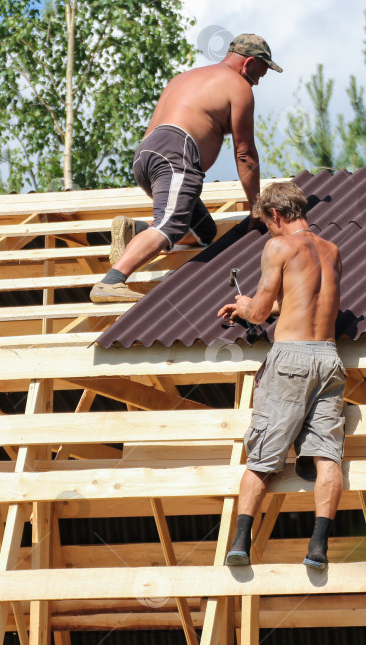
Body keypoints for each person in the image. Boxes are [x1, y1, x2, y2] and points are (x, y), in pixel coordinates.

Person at [90, 34, 282, 303]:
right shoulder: (238, 86)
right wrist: (255, 207)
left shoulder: (189, 76)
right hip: (175, 155)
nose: (259, 81)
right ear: (249, 62)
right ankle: (112, 281)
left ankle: (134, 231)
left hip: (146, 154)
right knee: (169, 225)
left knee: (204, 231)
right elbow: (245, 154)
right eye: (261, 72)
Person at [216, 182, 345, 570]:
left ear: (275, 215)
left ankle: (240, 542)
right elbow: (304, 302)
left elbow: (258, 313)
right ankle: (318, 547)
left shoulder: (278, 247)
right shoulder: (332, 251)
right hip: (329, 357)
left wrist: (245, 306)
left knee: (261, 455)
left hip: (290, 359)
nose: (267, 232)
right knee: (327, 455)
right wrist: (269, 310)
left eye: (266, 224)